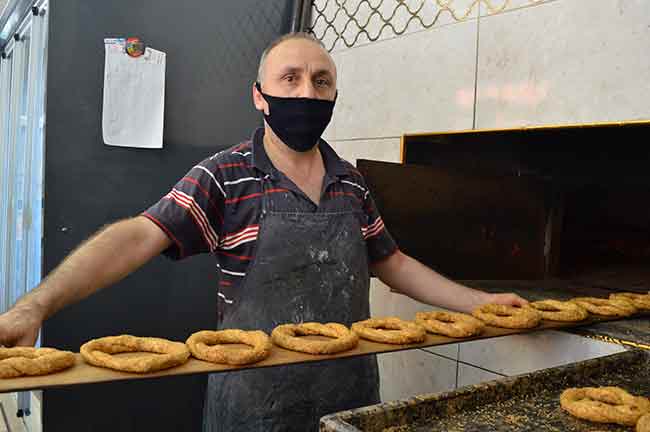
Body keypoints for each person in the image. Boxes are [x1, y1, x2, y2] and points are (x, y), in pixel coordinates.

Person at [0, 32, 527, 431]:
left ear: (335, 96)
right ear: (259, 95)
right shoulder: (226, 175)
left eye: (322, 81)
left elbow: (393, 263)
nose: (307, 91)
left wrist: (478, 303)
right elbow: (140, 235)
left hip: (349, 398)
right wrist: (35, 306)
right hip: (251, 404)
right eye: (290, 79)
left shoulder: (353, 183)